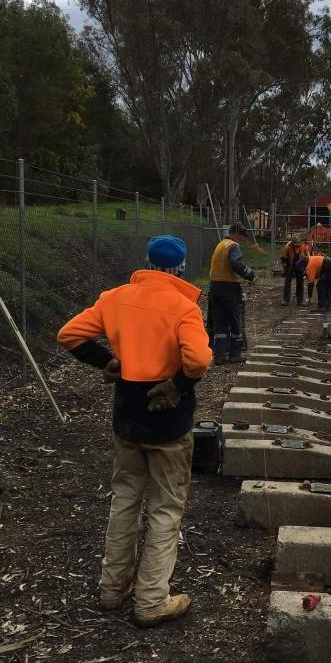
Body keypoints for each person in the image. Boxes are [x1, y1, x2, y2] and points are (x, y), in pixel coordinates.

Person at [56, 235, 212, 628]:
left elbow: (69, 335)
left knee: (125, 498)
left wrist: (107, 362)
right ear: (180, 268)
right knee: (165, 507)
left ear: (146, 261)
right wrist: (177, 385)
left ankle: (112, 589)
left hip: (126, 416)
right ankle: (152, 601)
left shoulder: (114, 299)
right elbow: (198, 360)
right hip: (168, 422)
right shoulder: (184, 307)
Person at [209, 222, 256, 364]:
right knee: (236, 320)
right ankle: (235, 353)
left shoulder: (221, 245)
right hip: (229, 287)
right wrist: (250, 274)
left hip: (215, 286)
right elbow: (235, 263)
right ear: (236, 234)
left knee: (220, 321)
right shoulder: (233, 246)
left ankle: (219, 355)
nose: (242, 239)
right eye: (242, 236)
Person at [279, 235, 310, 306]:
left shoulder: (304, 246)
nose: (297, 246)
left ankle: (300, 301)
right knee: (287, 282)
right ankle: (285, 300)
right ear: (293, 243)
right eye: (296, 244)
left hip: (300, 265)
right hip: (290, 265)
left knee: (300, 282)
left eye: (298, 244)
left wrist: (305, 267)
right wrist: (285, 268)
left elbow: (308, 257)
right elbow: (284, 258)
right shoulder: (288, 246)